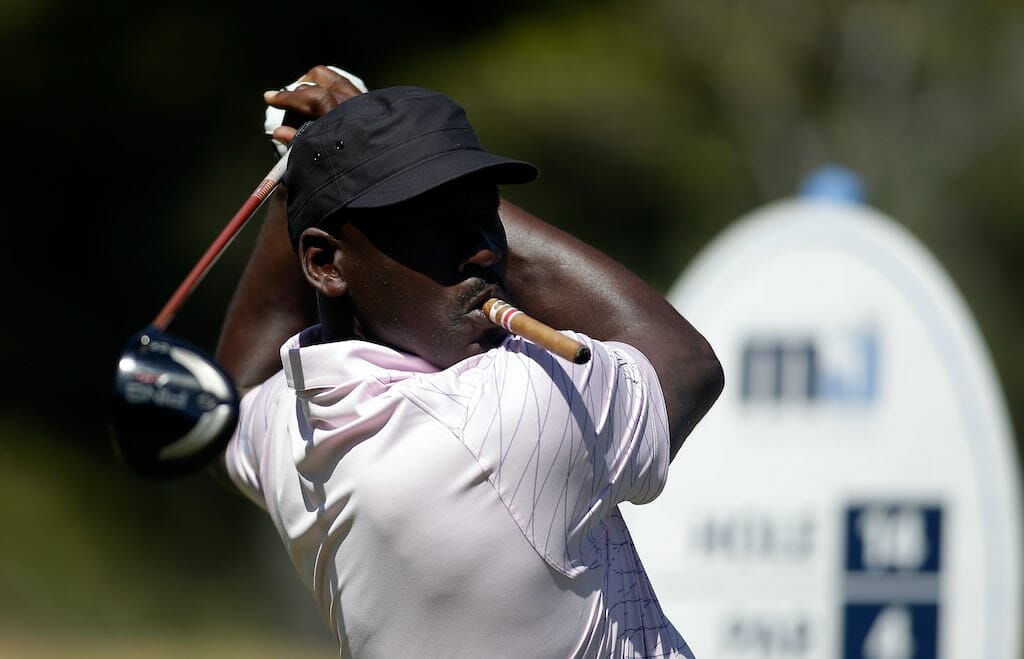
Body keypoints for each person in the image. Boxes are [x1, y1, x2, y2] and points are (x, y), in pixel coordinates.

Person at [215, 64, 724, 658]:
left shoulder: (292, 424)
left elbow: (228, 403)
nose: (484, 250)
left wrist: (307, 177)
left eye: (485, 214)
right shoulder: (506, 418)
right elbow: (684, 359)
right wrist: (332, 163)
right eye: (435, 223)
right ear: (325, 263)